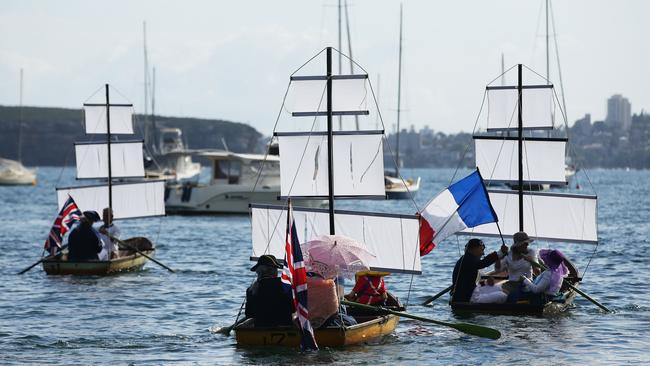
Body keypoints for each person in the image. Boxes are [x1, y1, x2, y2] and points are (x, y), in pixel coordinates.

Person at [451, 238, 508, 303]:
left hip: (470, 291)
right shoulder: (468, 260)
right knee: (503, 295)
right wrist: (500, 253)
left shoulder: (467, 259)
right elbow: (483, 263)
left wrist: (485, 283)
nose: (483, 253)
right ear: (473, 249)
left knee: (499, 288)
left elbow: (472, 282)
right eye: (481, 250)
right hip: (468, 297)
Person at [245, 255, 293, 327]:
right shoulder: (285, 284)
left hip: (260, 327)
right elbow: (293, 308)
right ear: (273, 270)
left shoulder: (250, 289)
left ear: (258, 271)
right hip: (284, 325)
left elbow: (249, 314)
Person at [499, 231, 540, 297]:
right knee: (497, 293)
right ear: (518, 245)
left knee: (507, 296)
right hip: (511, 283)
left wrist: (532, 261)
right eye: (525, 243)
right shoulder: (509, 253)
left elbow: (537, 273)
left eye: (527, 243)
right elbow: (499, 269)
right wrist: (501, 255)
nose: (527, 245)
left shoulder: (531, 252)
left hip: (526, 284)